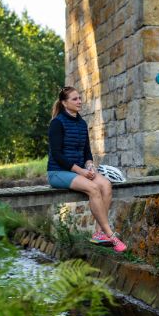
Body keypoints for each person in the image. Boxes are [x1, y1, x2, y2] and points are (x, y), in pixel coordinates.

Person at [47, 86, 127, 253]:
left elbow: (86, 152)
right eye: (74, 99)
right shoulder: (57, 123)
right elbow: (57, 154)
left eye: (80, 98)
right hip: (58, 172)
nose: (79, 101)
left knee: (105, 184)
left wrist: (89, 165)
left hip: (78, 171)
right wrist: (81, 171)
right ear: (64, 103)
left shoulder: (82, 123)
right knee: (93, 188)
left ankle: (98, 233)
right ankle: (110, 234)